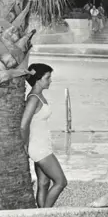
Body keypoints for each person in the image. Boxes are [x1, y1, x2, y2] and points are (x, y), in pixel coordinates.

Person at [20, 63, 68, 208]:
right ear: (38, 79)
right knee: (61, 182)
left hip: (42, 145)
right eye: (47, 77)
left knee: (44, 182)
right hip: (39, 147)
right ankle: (44, 213)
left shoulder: (39, 96)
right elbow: (23, 124)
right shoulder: (34, 98)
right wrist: (25, 145)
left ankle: (41, 211)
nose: (50, 80)